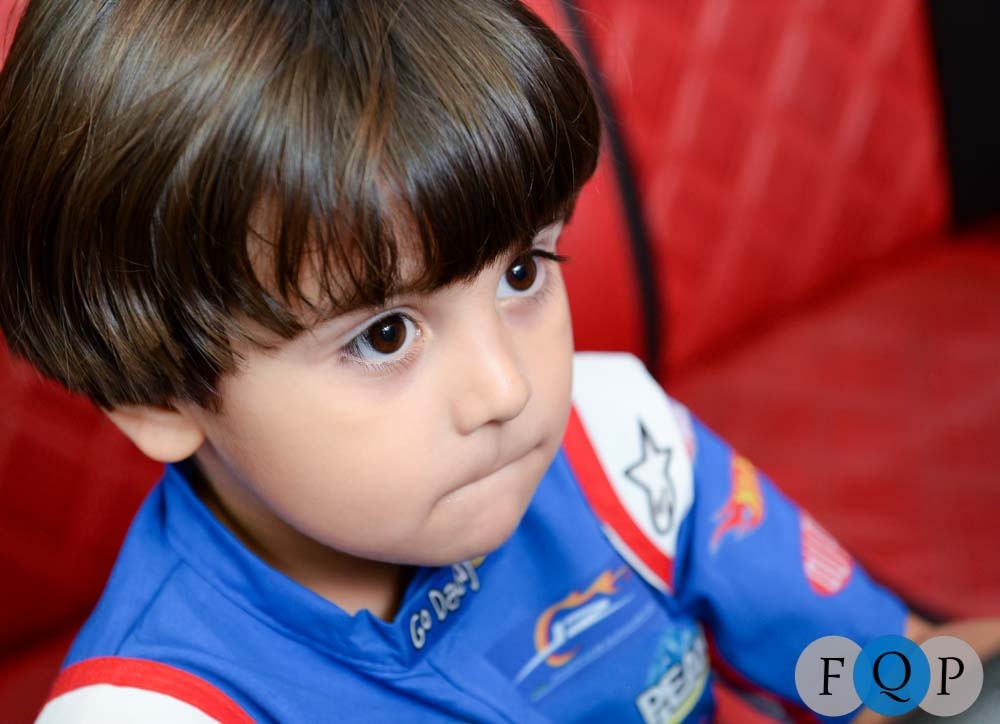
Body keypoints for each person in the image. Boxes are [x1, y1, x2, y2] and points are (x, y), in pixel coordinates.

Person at [0, 1, 996, 721]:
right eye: (384, 335)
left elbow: (864, 669)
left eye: (522, 271)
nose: (508, 390)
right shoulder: (157, 709)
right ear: (156, 392)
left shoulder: (617, 442)